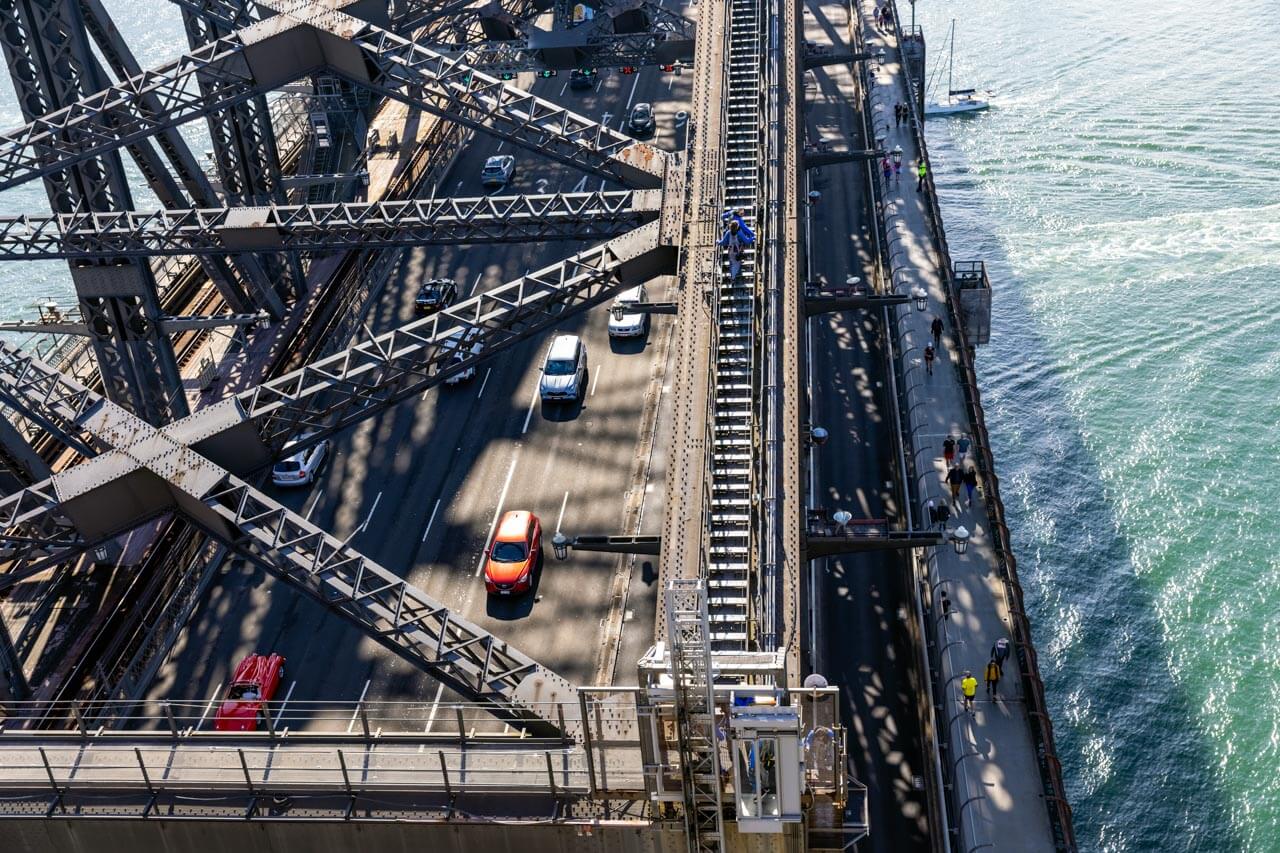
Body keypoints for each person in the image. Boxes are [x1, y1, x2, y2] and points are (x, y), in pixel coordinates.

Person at [719, 212, 755, 280]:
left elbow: (723, 242)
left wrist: (718, 242)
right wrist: (753, 238)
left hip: (730, 251)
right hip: (737, 250)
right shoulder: (740, 233)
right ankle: (734, 276)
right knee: (737, 263)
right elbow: (747, 241)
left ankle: (732, 276)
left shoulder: (728, 233)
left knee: (731, 263)